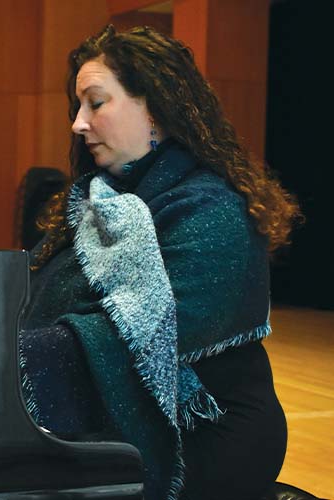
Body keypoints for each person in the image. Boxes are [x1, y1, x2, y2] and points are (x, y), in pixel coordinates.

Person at [20, 25, 301, 500]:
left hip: (206, 440)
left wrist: (10, 359)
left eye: (96, 102)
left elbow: (144, 335)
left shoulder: (213, 208)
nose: (78, 124)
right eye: (78, 107)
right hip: (108, 426)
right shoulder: (95, 204)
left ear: (156, 106)